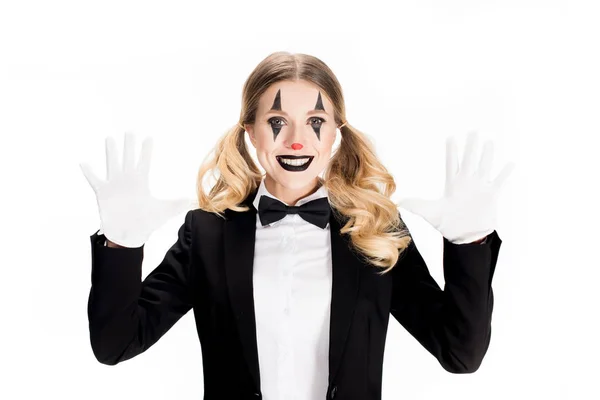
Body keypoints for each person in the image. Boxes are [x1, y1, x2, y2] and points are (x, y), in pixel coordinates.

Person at [80, 51, 513, 400]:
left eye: (316, 123)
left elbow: (460, 353)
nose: (297, 141)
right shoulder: (207, 233)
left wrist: (469, 241)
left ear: (335, 134)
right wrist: (121, 244)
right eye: (277, 122)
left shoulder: (374, 230)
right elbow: (116, 344)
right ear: (251, 131)